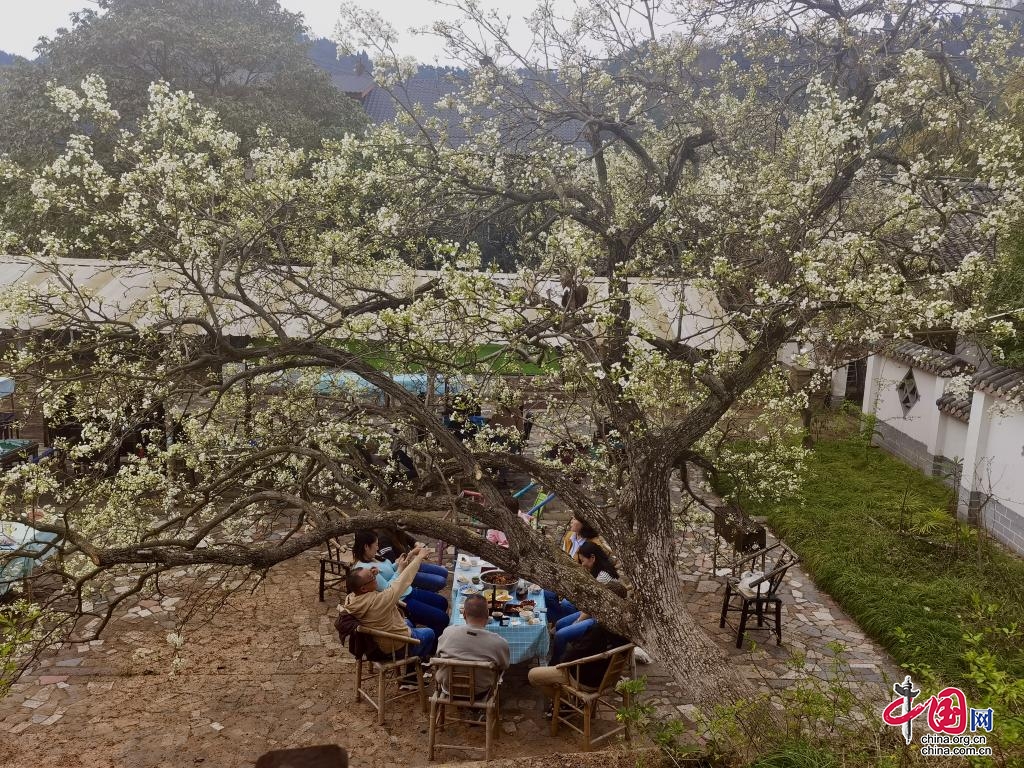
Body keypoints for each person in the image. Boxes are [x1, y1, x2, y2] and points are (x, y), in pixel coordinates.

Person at [528, 582, 630, 717]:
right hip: (608, 678)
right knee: (563, 629)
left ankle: (568, 701)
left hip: (586, 680)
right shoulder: (626, 629)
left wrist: (561, 664)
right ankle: (568, 701)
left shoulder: (598, 630)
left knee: (533, 675)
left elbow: (572, 658)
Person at [342, 546, 437, 662]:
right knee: (430, 632)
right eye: (372, 578)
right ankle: (415, 667)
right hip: (395, 647)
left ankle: (418, 658)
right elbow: (403, 580)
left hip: (378, 642)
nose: (376, 578)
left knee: (408, 621)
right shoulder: (379, 601)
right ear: (363, 589)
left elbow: (368, 590)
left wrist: (372, 574)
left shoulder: (351, 598)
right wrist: (419, 558)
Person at [352, 530, 450, 638]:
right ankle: (431, 643)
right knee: (443, 619)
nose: (378, 547)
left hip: (408, 590)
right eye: (376, 545)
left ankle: (429, 625)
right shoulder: (366, 570)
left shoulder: (372, 557)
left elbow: (389, 571)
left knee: (443, 602)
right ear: (366, 547)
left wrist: (406, 558)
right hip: (401, 601)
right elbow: (388, 590)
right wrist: (401, 569)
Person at [432, 594, 510, 696]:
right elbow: (504, 666)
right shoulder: (499, 643)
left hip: (449, 687)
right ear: (487, 614)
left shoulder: (448, 632)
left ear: (464, 614)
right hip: (480, 691)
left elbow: (438, 656)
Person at [375, 527, 450, 592]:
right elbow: (394, 564)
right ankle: (424, 590)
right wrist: (413, 554)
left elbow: (412, 541)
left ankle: (428, 590)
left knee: (444, 572)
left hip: (411, 563)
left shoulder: (398, 531)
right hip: (404, 571)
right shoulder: (383, 538)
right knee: (440, 581)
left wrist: (420, 546)